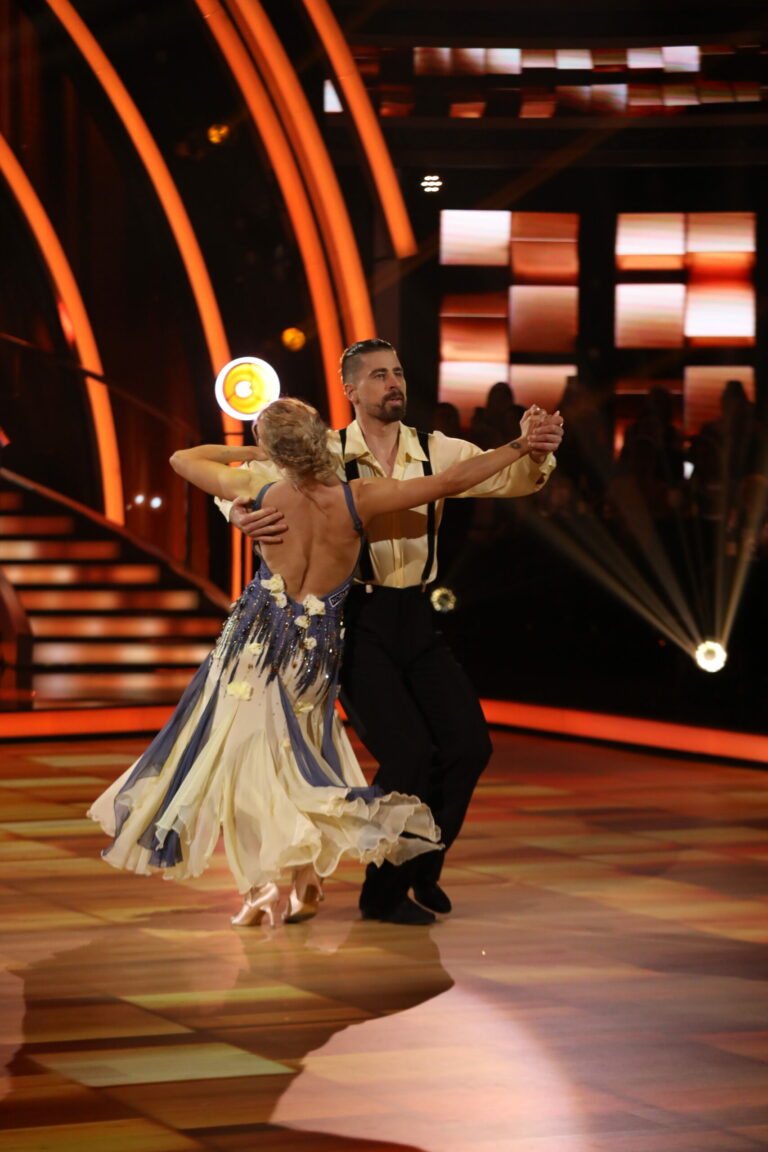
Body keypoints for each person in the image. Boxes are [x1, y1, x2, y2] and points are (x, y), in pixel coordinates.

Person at [88, 396, 558, 929]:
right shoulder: (360, 499)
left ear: (274, 449)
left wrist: (257, 453)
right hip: (314, 657)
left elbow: (182, 458)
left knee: (252, 767)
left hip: (253, 651)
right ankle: (303, 883)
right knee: (300, 762)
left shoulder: (257, 489)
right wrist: (519, 445)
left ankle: (267, 886)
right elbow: (452, 481)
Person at [220, 339, 564, 924]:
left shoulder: (436, 449)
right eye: (379, 375)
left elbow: (510, 478)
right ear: (351, 390)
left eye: (398, 372)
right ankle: (382, 894)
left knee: (468, 747)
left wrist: (534, 450)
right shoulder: (323, 453)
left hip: (417, 618)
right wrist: (238, 512)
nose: (394, 383)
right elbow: (245, 480)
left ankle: (421, 865)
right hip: (355, 621)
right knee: (407, 755)